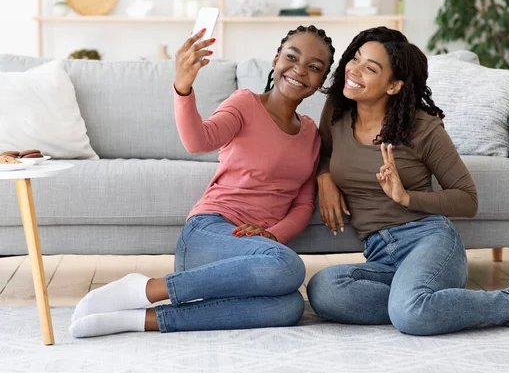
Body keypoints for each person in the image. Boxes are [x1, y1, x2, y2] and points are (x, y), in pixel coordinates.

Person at [69, 25, 335, 337]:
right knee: (290, 267)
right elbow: (198, 140)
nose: (300, 70)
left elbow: (303, 205)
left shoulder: (310, 135)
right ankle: (146, 289)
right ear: (276, 60)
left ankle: (137, 320)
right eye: (292, 57)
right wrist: (183, 87)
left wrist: (271, 236)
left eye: (314, 67)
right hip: (210, 231)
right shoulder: (245, 104)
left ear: (320, 82)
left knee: (288, 307)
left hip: (257, 252)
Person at [308, 26, 509, 335]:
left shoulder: (421, 127)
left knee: (409, 315)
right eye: (355, 58)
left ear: (394, 85)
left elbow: (467, 199)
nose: (353, 70)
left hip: (429, 241)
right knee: (324, 289)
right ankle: (423, 301)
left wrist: (406, 197)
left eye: (370, 68)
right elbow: (325, 152)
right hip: (380, 253)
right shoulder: (337, 112)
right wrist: (324, 175)